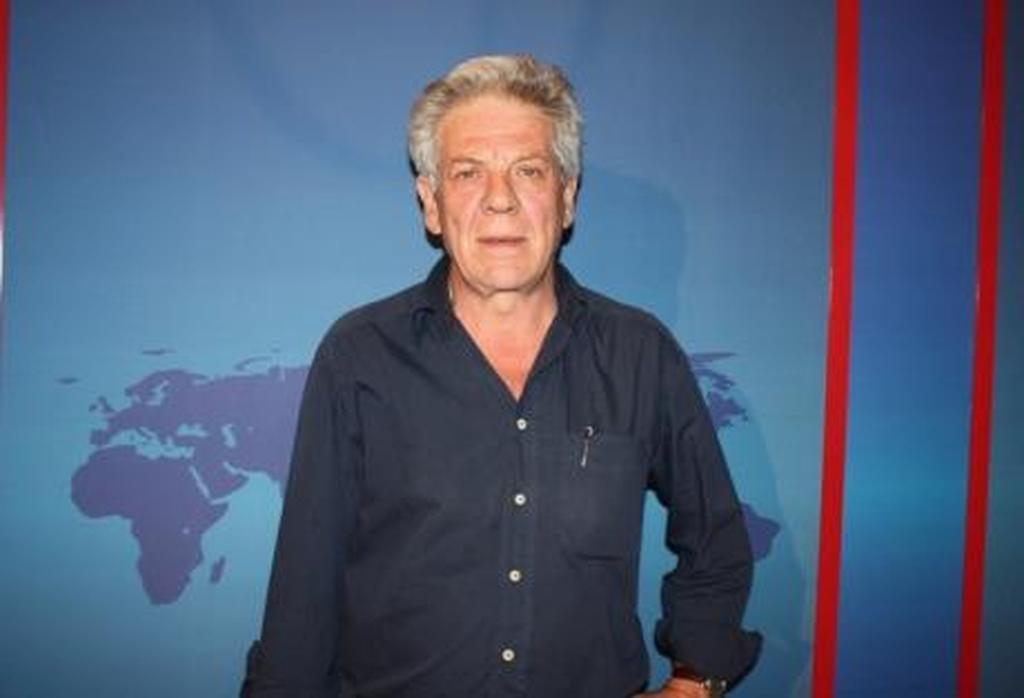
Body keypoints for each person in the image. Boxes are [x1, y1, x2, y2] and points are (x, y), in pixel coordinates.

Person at [241, 54, 760, 698]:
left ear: (566, 198)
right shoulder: (359, 357)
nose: (500, 198)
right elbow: (305, 587)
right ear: (431, 204)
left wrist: (694, 681)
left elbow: (715, 542)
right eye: (468, 173)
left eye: (528, 170)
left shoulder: (641, 354)